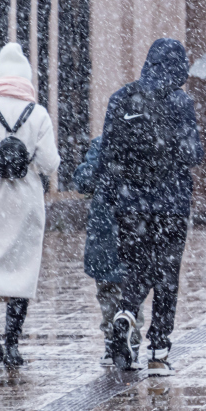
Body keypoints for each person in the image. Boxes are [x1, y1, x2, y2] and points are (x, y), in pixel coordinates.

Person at [99, 38, 204, 375]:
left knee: (136, 268)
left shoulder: (122, 97)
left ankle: (126, 313)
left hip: (131, 204)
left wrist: (115, 196)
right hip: (172, 205)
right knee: (167, 276)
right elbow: (193, 154)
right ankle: (158, 350)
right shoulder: (180, 101)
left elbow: (107, 154)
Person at [0, 43, 60, 367]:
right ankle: (12, 344)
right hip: (26, 201)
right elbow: (49, 163)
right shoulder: (38, 113)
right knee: (22, 272)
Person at [73, 136, 146, 367]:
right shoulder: (142, 143)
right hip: (129, 224)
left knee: (110, 288)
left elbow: (84, 181)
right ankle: (127, 341)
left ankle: (115, 341)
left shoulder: (104, 143)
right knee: (130, 286)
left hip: (108, 226)